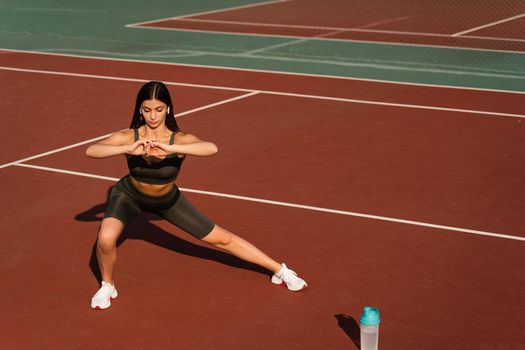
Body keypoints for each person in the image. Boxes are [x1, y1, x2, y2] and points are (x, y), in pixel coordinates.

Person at [86, 81, 307, 310]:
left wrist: (171, 150)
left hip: (167, 200)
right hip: (129, 195)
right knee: (105, 238)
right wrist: (126, 149)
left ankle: (280, 271)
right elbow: (92, 150)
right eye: (147, 109)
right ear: (139, 110)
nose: (153, 116)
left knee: (221, 239)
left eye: (159, 109)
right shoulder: (129, 137)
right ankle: (107, 285)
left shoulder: (178, 139)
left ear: (168, 109)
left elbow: (211, 148)